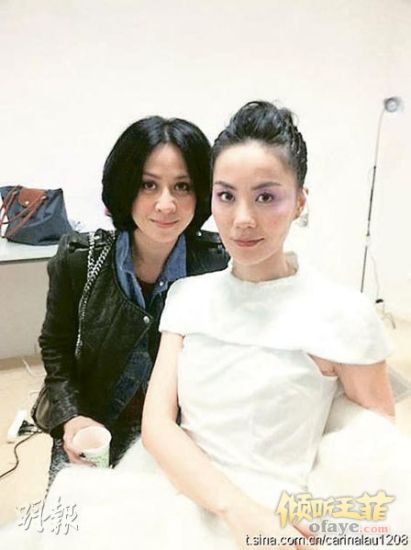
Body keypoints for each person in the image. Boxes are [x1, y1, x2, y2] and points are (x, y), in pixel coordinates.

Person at [7, 102, 408, 550]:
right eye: (227, 196)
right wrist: (71, 418)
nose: (243, 219)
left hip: (272, 505)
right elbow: (142, 413)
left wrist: (306, 518)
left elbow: (369, 447)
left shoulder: (340, 312)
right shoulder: (175, 291)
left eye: (266, 196)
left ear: (300, 201)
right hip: (150, 467)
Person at [37, 115, 228, 486]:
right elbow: (56, 348)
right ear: (124, 186)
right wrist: (71, 417)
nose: (166, 204)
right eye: (148, 185)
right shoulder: (79, 259)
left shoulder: (217, 265)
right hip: (94, 427)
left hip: (181, 435)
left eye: (183, 186)